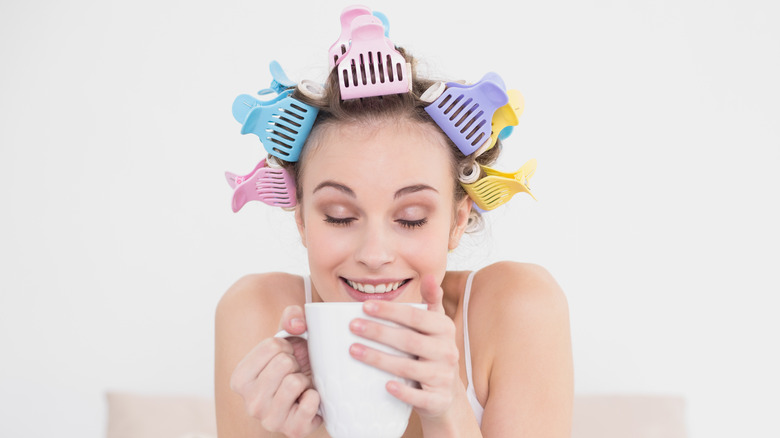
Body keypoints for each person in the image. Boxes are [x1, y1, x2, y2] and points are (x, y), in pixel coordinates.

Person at [215, 7, 573, 438]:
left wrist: (448, 411)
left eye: (411, 219)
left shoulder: (518, 309)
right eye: (339, 216)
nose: (374, 255)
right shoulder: (256, 317)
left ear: (458, 222)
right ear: (303, 222)